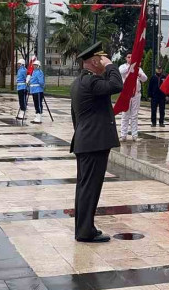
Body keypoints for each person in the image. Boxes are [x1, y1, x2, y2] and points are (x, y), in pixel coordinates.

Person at [69, 42, 123, 243]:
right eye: (101, 58)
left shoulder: (79, 82)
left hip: (86, 141)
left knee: (85, 187)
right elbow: (117, 85)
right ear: (94, 61)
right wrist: (110, 66)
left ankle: (84, 228)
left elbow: (75, 116)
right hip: (93, 143)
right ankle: (85, 231)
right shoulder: (90, 82)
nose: (104, 62)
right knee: (89, 188)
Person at [118, 53, 147, 141]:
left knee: (134, 115)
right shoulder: (123, 66)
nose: (130, 58)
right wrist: (131, 66)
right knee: (125, 115)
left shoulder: (138, 68)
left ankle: (134, 135)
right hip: (126, 94)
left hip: (136, 94)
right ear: (126, 58)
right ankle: (123, 135)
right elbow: (121, 72)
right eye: (128, 57)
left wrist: (138, 72)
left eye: (131, 57)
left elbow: (145, 78)